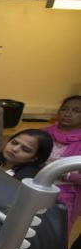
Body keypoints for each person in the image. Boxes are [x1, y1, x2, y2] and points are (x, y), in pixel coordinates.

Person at [43, 95, 81, 235]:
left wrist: (65, 173)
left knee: (53, 236)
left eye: (76, 111)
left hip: (67, 197)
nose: (68, 114)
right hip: (35, 188)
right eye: (64, 109)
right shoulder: (43, 133)